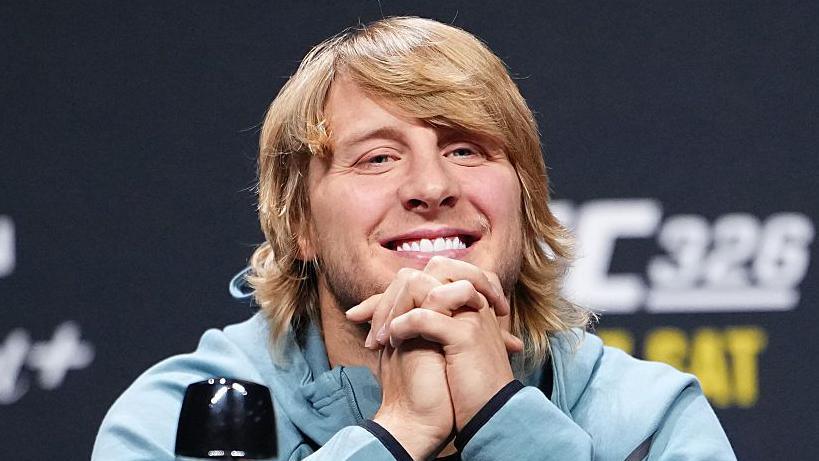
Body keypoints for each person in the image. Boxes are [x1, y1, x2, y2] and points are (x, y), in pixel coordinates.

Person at [92, 16, 736, 461]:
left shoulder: (647, 418)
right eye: (377, 158)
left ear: (527, 199)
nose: (431, 186)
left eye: (465, 149)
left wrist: (503, 417)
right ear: (299, 224)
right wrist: (397, 433)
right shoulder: (184, 417)